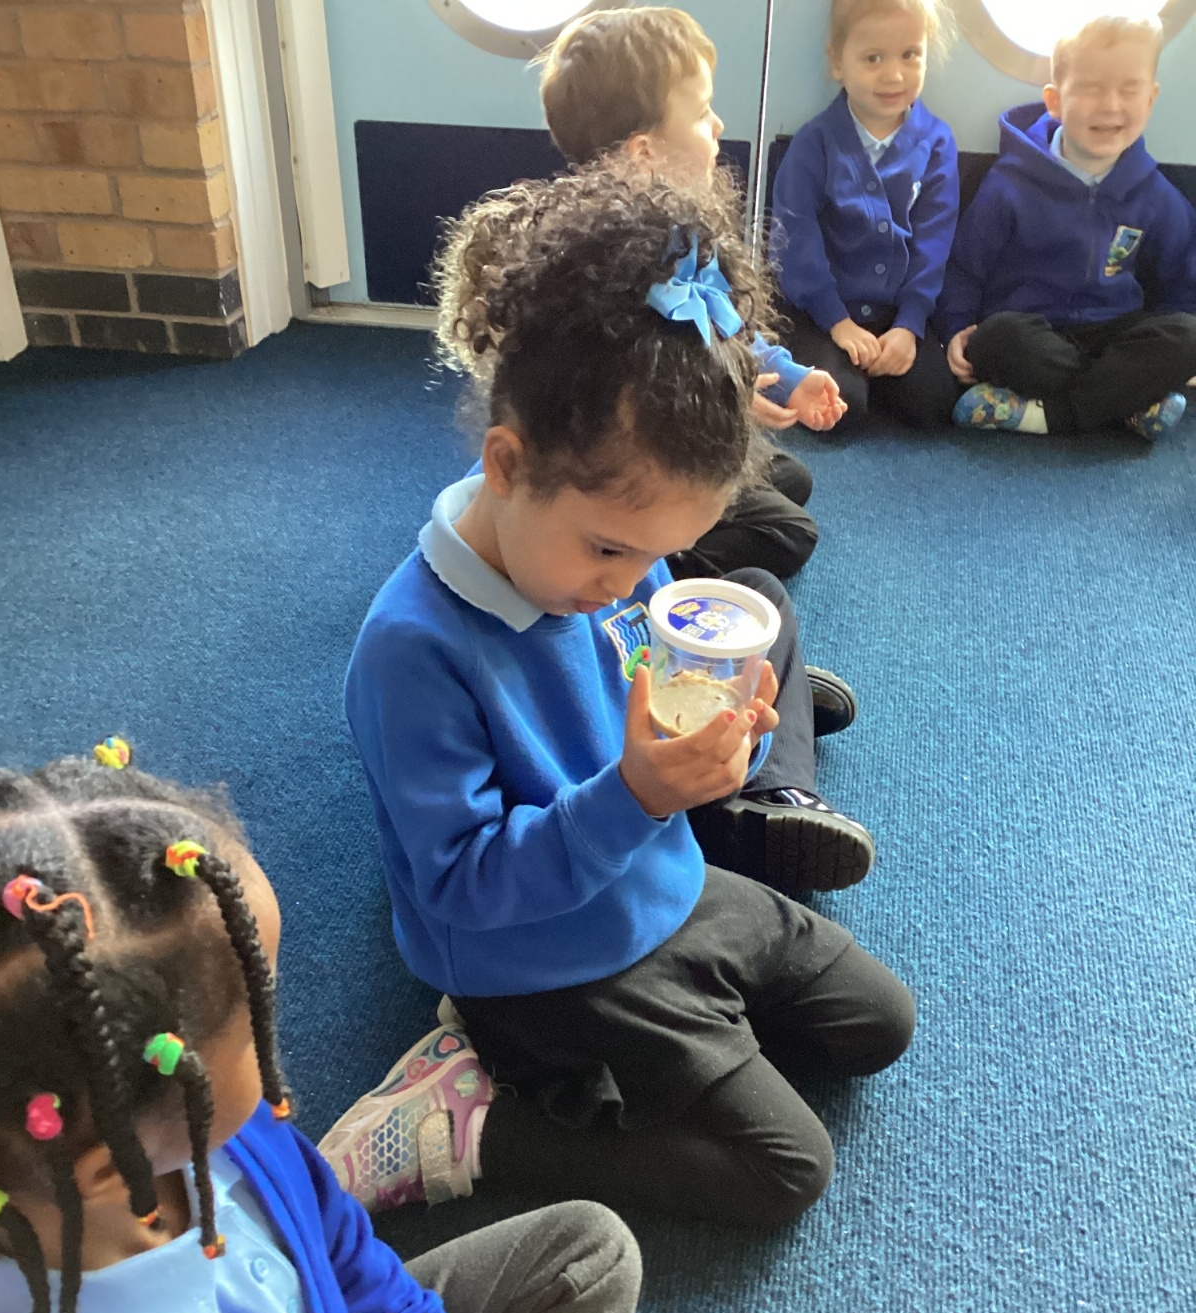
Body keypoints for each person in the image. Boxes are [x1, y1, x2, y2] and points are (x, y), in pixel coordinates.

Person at [329, 161, 914, 1234]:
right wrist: (639, 797)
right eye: (609, 549)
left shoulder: (618, 566)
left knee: (882, 1024)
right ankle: (470, 1124)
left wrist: (723, 745)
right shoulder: (411, 651)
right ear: (507, 465)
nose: (633, 581)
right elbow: (460, 883)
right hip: (533, 956)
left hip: (656, 875)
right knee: (785, 1171)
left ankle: (674, 1041)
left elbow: (648, 701)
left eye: (660, 552)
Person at [0, 744, 651, 1313]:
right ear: (107, 1168)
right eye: (255, 1020)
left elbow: (343, 1253)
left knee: (590, 1254)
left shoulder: (221, 1135)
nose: (277, 1041)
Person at [539, 4, 845, 584]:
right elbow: (629, 416)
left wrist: (788, 375)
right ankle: (649, 564)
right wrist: (728, 397)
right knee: (791, 533)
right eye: (702, 113)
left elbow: (724, 323)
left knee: (791, 479)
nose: (718, 125)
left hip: (676, 434)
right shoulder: (608, 274)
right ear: (644, 153)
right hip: (625, 472)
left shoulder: (680, 233)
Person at [940, 11, 1196, 440]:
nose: (1111, 105)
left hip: (1114, 330)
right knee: (996, 338)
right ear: (1055, 101)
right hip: (1032, 332)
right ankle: (1126, 402)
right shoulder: (1010, 183)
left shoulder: (1153, 192)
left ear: (1150, 100)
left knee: (1188, 336)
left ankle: (1049, 415)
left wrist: (1171, 350)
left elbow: (1183, 278)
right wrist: (955, 328)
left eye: (1129, 89)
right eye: (1092, 89)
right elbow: (965, 267)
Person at [771, 0, 960, 432]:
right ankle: (838, 375)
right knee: (841, 410)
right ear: (838, 62)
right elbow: (794, 236)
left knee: (935, 404)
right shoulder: (815, 141)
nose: (894, 75)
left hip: (896, 315)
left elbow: (934, 241)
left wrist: (909, 325)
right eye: (873, 58)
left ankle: (873, 371)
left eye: (910, 55)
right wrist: (838, 323)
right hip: (824, 313)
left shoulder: (936, 142)